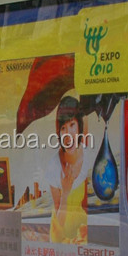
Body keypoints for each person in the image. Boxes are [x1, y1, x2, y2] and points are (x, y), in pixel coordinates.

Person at [46, 94, 90, 244]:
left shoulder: (88, 156)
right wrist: (65, 192)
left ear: (79, 126)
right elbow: (59, 222)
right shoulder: (53, 167)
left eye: (72, 125)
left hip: (82, 231)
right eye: (63, 128)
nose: (68, 134)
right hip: (61, 237)